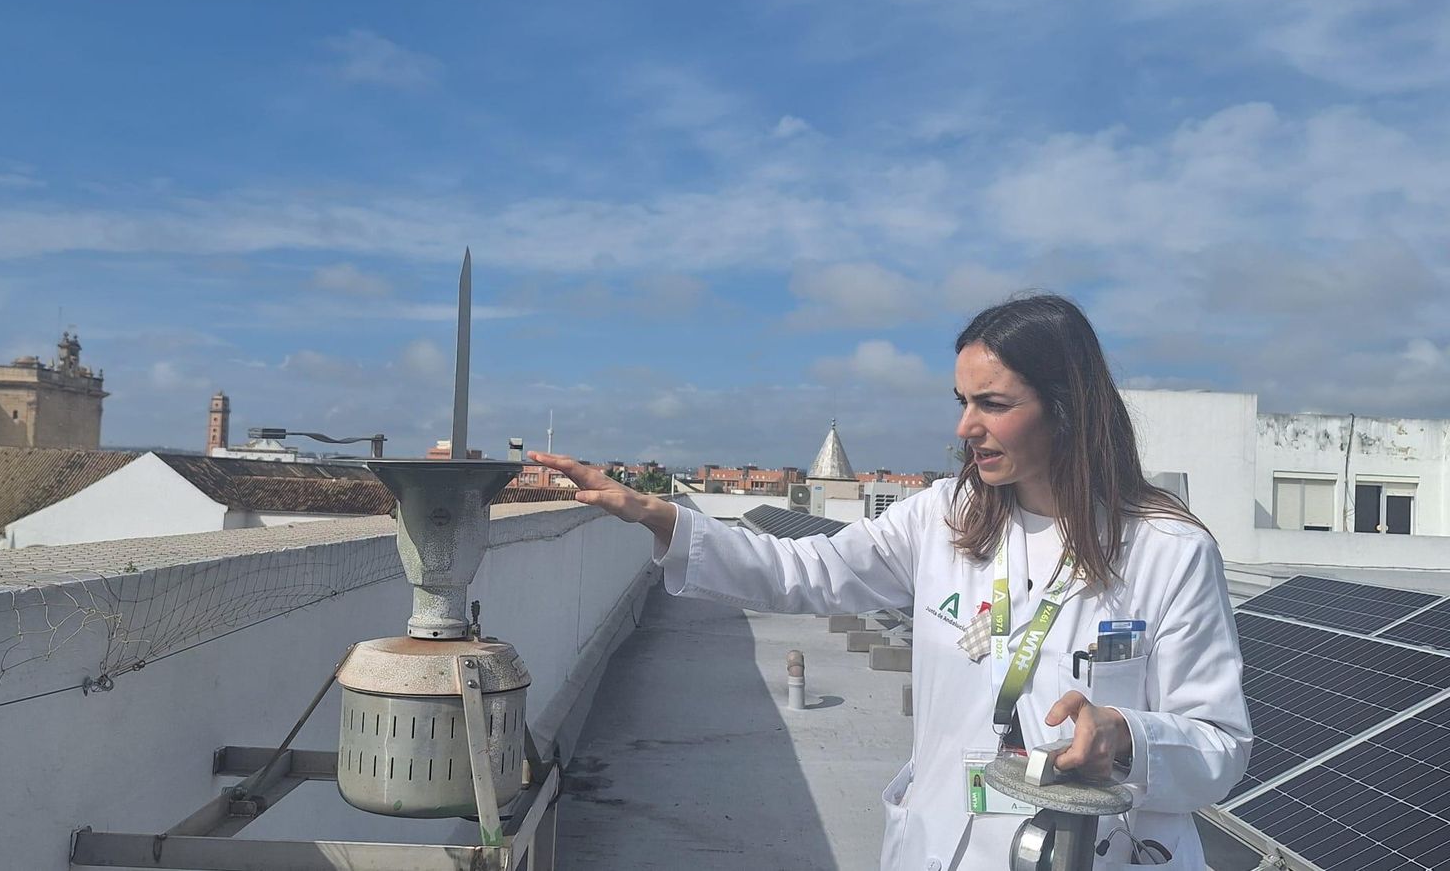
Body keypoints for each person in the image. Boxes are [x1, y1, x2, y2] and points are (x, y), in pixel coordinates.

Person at [531, 293, 1251, 870]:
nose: (967, 426)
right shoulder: (946, 517)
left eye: (994, 403)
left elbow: (1221, 744)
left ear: (1066, 409)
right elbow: (803, 571)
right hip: (946, 842)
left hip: (1093, 851)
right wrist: (658, 517)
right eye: (963, 401)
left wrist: (1127, 736)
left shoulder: (1167, 551)